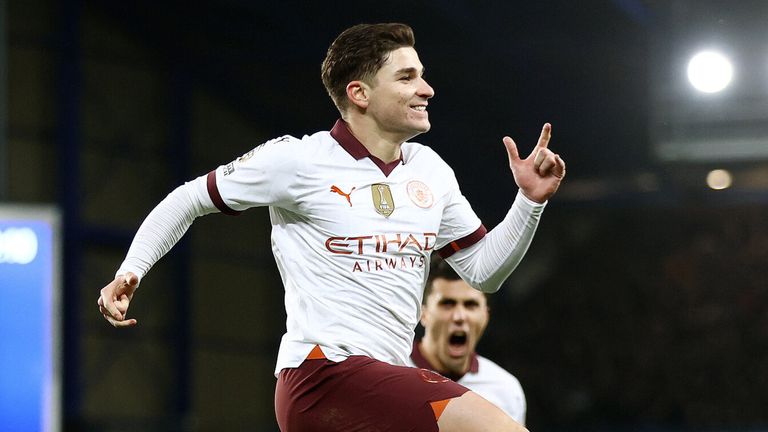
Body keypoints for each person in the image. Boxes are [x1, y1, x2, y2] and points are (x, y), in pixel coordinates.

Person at [97, 22, 565, 432]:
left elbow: (485, 271)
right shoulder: (298, 160)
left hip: (381, 384)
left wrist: (528, 202)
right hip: (324, 376)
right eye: (407, 77)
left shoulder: (431, 170)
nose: (427, 89)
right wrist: (132, 268)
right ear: (360, 93)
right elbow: (189, 198)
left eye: (422, 75)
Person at [411, 256, 527, 424]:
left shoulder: (506, 390)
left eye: (470, 305)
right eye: (447, 304)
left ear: (485, 315)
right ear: (423, 313)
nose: (459, 316)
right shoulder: (391, 370)